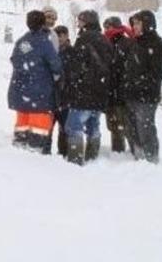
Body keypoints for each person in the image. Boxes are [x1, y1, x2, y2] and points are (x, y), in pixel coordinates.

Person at [8, 10, 63, 153]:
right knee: (38, 133)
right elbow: (56, 66)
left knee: (22, 130)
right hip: (40, 95)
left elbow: (16, 60)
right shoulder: (45, 42)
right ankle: (35, 158)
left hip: (21, 93)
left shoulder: (23, 41)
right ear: (42, 23)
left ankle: (20, 152)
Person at [63, 10, 114, 165]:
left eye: (80, 21)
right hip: (100, 91)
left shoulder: (84, 39)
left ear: (86, 22)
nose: (78, 23)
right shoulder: (105, 40)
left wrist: (73, 82)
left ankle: (75, 159)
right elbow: (110, 64)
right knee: (93, 125)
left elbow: (77, 66)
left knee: (74, 126)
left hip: (83, 91)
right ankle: (93, 158)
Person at [122, 10, 162, 163]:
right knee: (132, 129)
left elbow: (157, 74)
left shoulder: (157, 44)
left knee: (145, 129)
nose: (134, 26)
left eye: (138, 23)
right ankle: (138, 157)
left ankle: (151, 159)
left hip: (147, 96)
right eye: (133, 23)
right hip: (131, 95)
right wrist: (128, 84)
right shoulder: (135, 43)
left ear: (147, 24)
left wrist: (138, 83)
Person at [103, 16, 134, 154]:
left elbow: (126, 68)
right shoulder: (106, 43)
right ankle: (118, 152)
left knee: (122, 125)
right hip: (111, 91)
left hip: (120, 92)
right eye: (105, 27)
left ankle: (127, 151)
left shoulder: (126, 43)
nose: (106, 30)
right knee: (114, 125)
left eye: (108, 27)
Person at [50, 24, 72, 156]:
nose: (60, 37)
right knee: (48, 129)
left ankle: (63, 155)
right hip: (51, 97)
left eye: (63, 35)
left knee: (65, 130)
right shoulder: (51, 51)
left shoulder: (73, 51)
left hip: (66, 97)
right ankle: (44, 155)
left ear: (67, 36)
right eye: (58, 35)